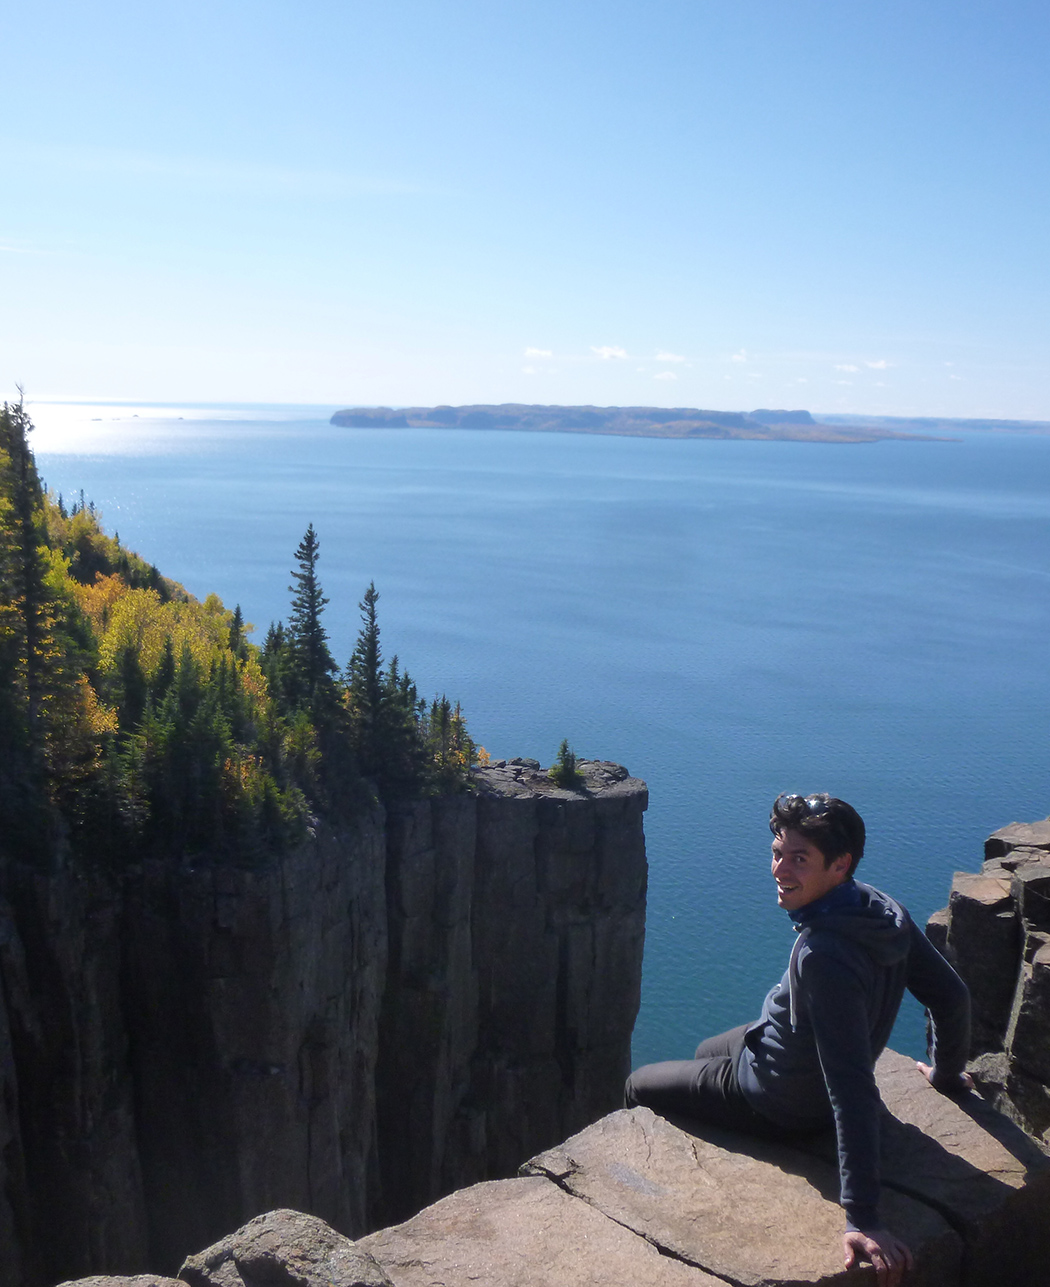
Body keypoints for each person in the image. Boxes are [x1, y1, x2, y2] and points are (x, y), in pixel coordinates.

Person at [625, 792, 972, 1287]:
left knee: (639, 1085)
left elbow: (851, 1086)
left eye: (799, 859)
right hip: (773, 1048)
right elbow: (952, 997)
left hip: (780, 1101)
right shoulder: (882, 909)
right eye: (777, 852)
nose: (779, 869)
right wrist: (945, 1071)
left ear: (840, 864)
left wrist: (863, 1218)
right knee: (706, 1050)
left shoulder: (824, 956)